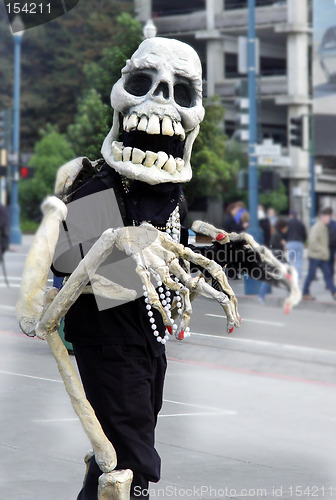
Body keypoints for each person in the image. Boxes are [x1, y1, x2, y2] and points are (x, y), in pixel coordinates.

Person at [302, 208, 336, 301]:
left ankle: (334, 292)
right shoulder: (317, 227)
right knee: (311, 275)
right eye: (328, 218)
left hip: (322, 256)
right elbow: (312, 242)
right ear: (323, 218)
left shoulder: (324, 227)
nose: (329, 220)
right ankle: (305, 292)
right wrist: (323, 250)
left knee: (328, 274)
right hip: (315, 256)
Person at [258, 218, 288, 304]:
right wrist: (282, 245)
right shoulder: (277, 235)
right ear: (283, 227)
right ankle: (261, 297)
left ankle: (261, 296)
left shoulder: (277, 234)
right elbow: (275, 247)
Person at [285, 210, 307, 279]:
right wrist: (303, 241)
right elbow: (305, 234)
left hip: (290, 242)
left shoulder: (288, 223)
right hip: (299, 243)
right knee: (299, 260)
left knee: (290, 259)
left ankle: (291, 274)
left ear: (291, 215)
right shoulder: (301, 223)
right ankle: (299, 275)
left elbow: (285, 233)